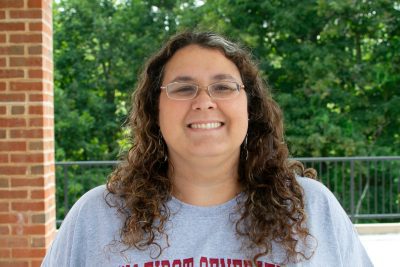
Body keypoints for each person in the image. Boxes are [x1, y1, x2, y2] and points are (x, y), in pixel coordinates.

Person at [42, 31, 372, 267]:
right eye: (184, 88)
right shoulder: (98, 216)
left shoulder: (310, 208)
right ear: (155, 110)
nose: (204, 102)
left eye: (223, 87)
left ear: (250, 107)